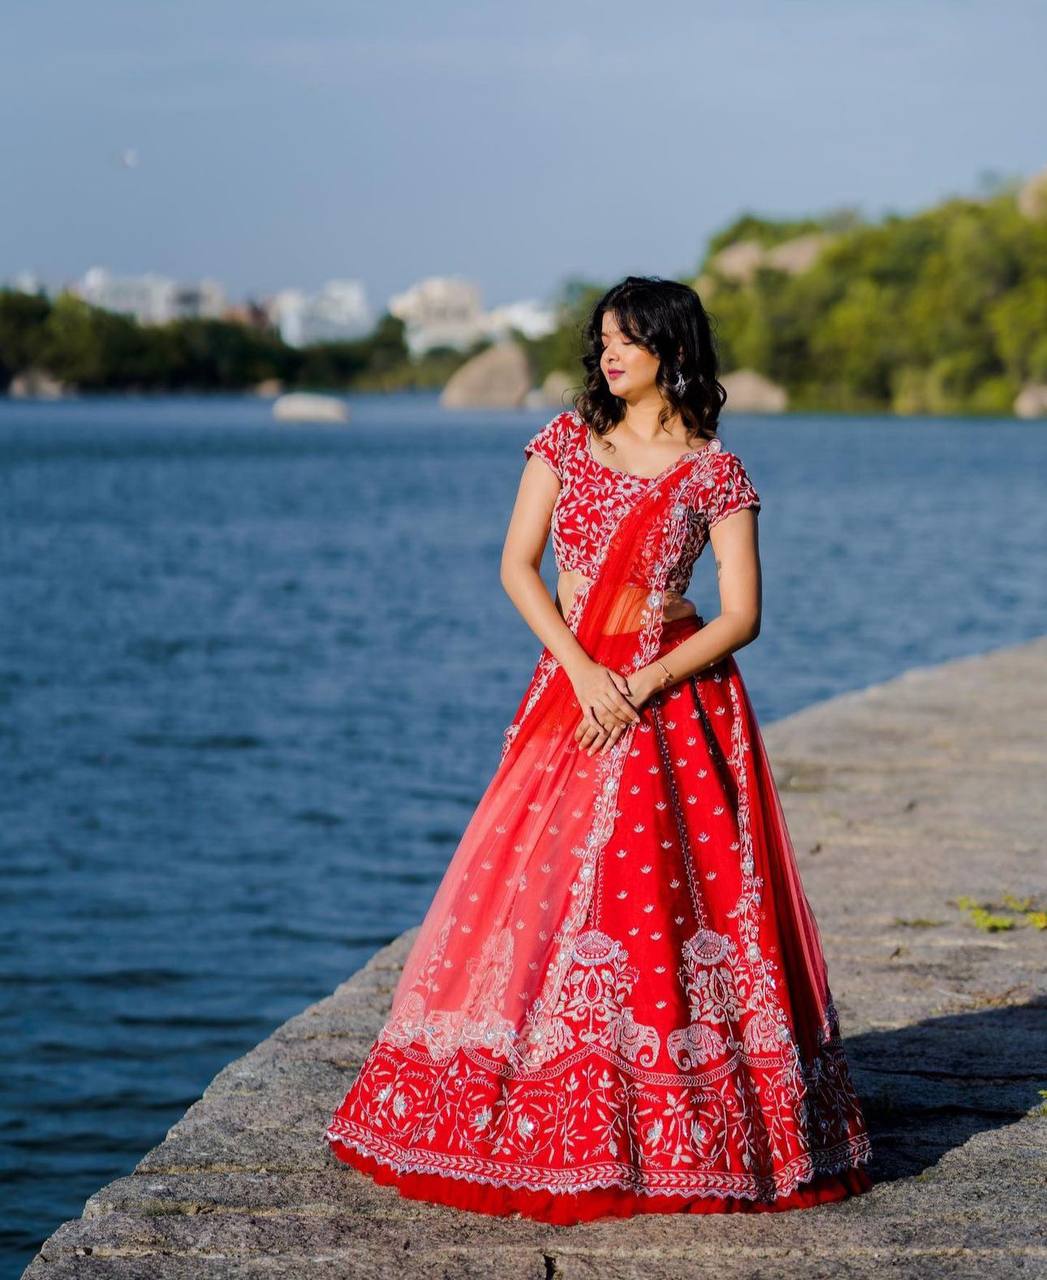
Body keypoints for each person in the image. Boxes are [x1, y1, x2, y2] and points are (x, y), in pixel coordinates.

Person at [323, 275, 873, 1223]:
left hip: (675, 702)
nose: (608, 355)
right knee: (536, 889)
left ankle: (676, 1118)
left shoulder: (713, 472)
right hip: (571, 692)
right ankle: (538, 1086)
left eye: (628, 340)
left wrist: (643, 682)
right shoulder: (564, 444)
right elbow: (516, 567)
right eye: (602, 340)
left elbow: (741, 614)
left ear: (672, 349)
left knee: (663, 898)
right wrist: (583, 672)